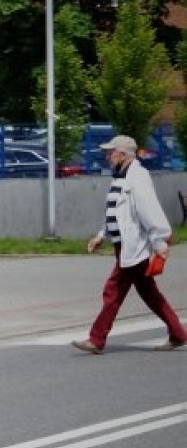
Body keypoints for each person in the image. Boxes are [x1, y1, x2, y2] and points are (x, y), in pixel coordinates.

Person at [72, 134, 184, 354]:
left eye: (110, 152)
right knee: (150, 294)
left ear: (122, 154)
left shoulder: (138, 177)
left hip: (133, 247)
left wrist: (159, 241)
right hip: (124, 246)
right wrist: (101, 235)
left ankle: (96, 339)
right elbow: (115, 213)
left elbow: (149, 211)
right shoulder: (120, 177)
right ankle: (178, 334)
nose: (107, 156)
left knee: (113, 290)